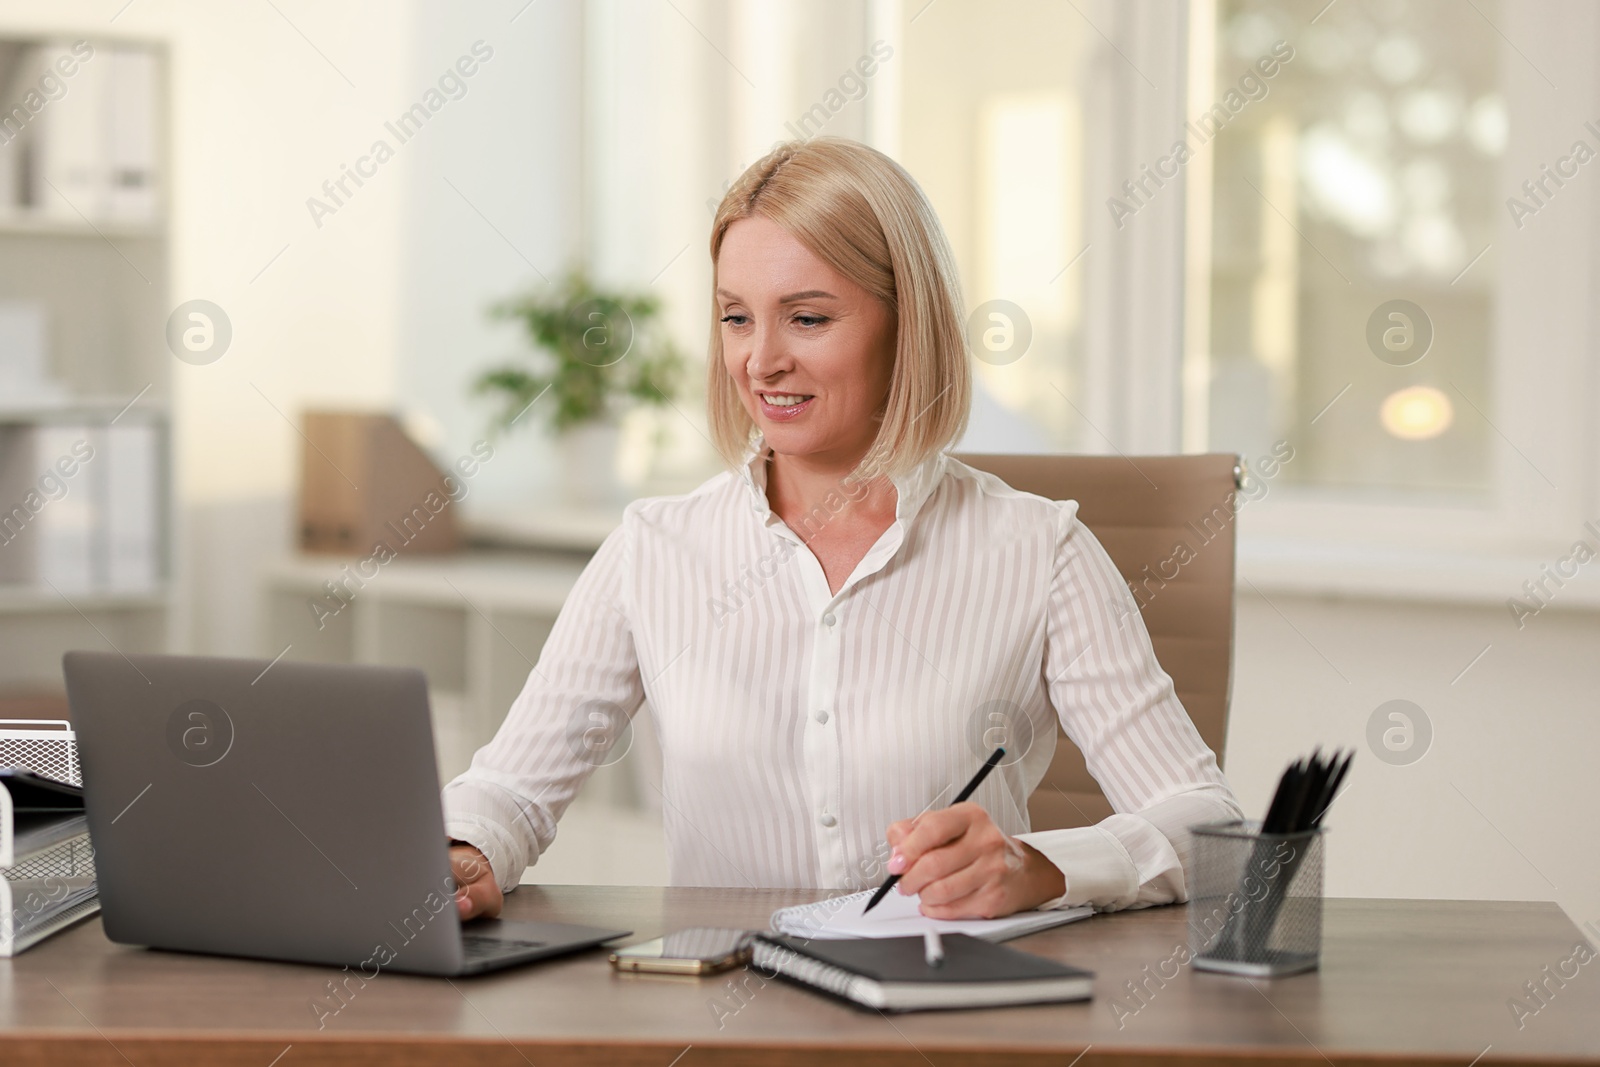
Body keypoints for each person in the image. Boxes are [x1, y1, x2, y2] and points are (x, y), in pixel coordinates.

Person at [445, 137, 1241, 922]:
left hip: (943, 1017)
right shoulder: (655, 549)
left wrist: (1043, 866)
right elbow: (510, 788)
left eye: (808, 318)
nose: (761, 361)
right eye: (736, 318)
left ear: (908, 324)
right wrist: (468, 850)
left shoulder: (1040, 551)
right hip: (725, 1019)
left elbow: (1213, 831)